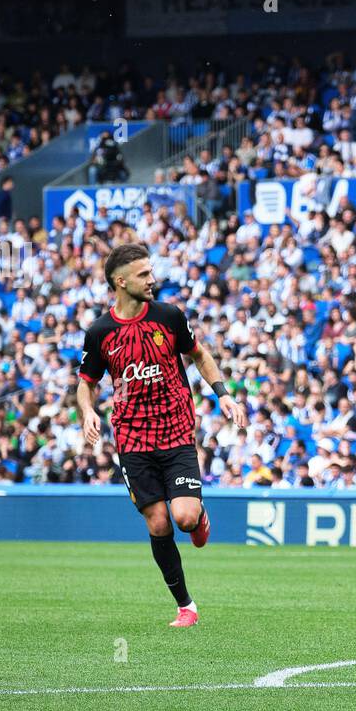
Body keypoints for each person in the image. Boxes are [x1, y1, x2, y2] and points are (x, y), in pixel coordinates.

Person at [77, 243, 248, 627]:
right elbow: (85, 382)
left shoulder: (170, 317)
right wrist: (88, 410)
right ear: (120, 282)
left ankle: (199, 517)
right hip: (132, 441)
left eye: (151, 272)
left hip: (175, 432)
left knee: (184, 518)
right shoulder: (100, 332)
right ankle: (186, 606)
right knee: (157, 523)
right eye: (143, 275)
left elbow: (199, 355)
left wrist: (223, 395)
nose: (152, 280)